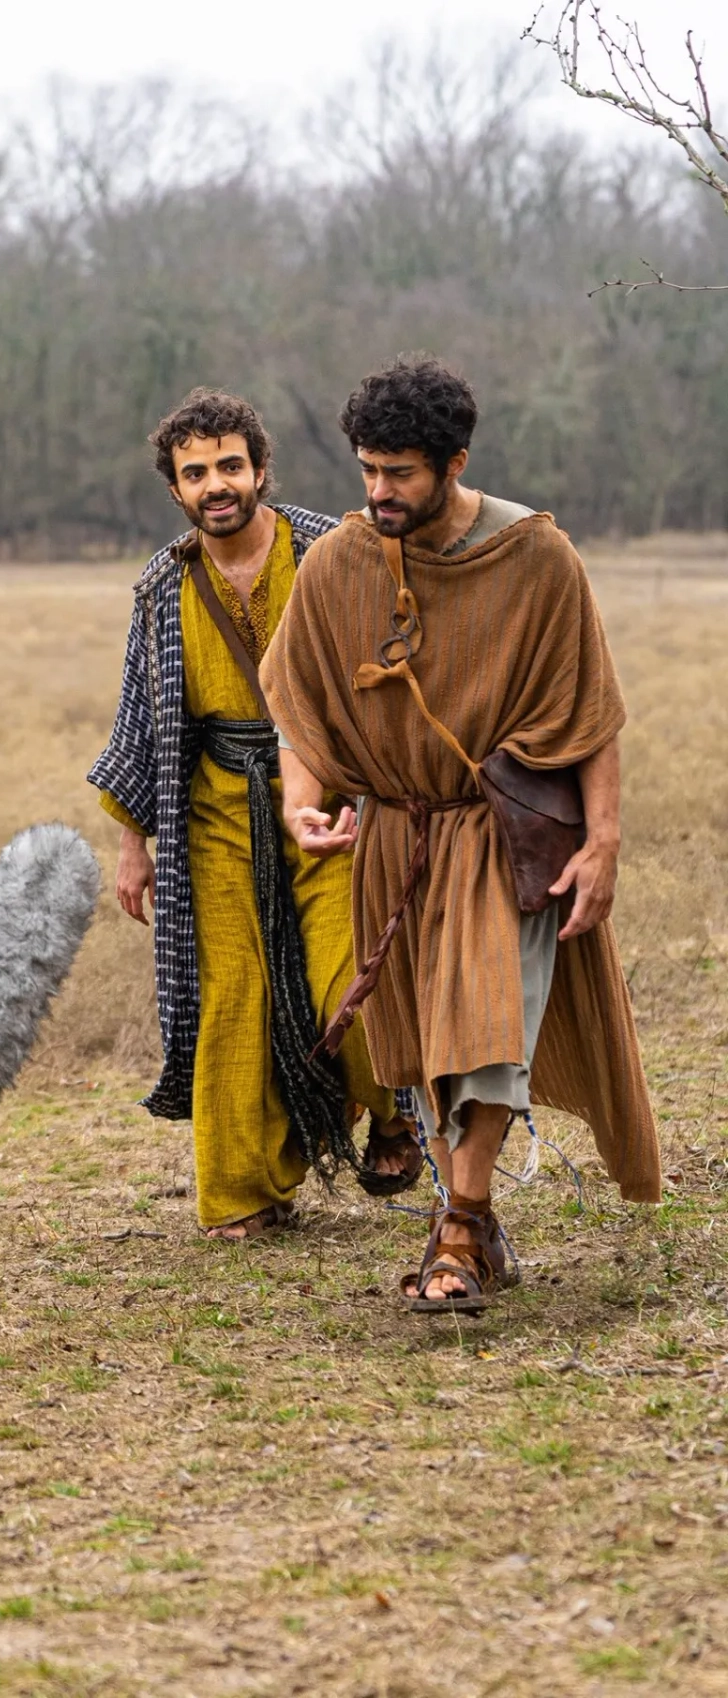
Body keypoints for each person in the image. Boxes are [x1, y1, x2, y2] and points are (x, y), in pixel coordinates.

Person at [261, 354, 661, 1313]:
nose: (377, 491)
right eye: (367, 469)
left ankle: (460, 1228)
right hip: (397, 834)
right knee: (425, 1046)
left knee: (486, 1025)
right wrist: (299, 799)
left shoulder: (537, 558)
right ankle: (467, 1218)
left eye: (399, 472)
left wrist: (601, 845)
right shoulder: (339, 563)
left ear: (454, 462)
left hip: (502, 835)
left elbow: (589, 715)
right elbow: (301, 706)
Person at [88, 389, 414, 1240]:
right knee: (234, 994)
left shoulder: (332, 552)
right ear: (176, 491)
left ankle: (390, 1113)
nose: (215, 485)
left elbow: (393, 670)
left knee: (351, 973)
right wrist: (135, 845)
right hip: (216, 813)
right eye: (195, 473)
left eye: (230, 466)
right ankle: (242, 1192)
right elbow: (143, 720)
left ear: (261, 469)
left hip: (336, 798)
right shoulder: (164, 585)